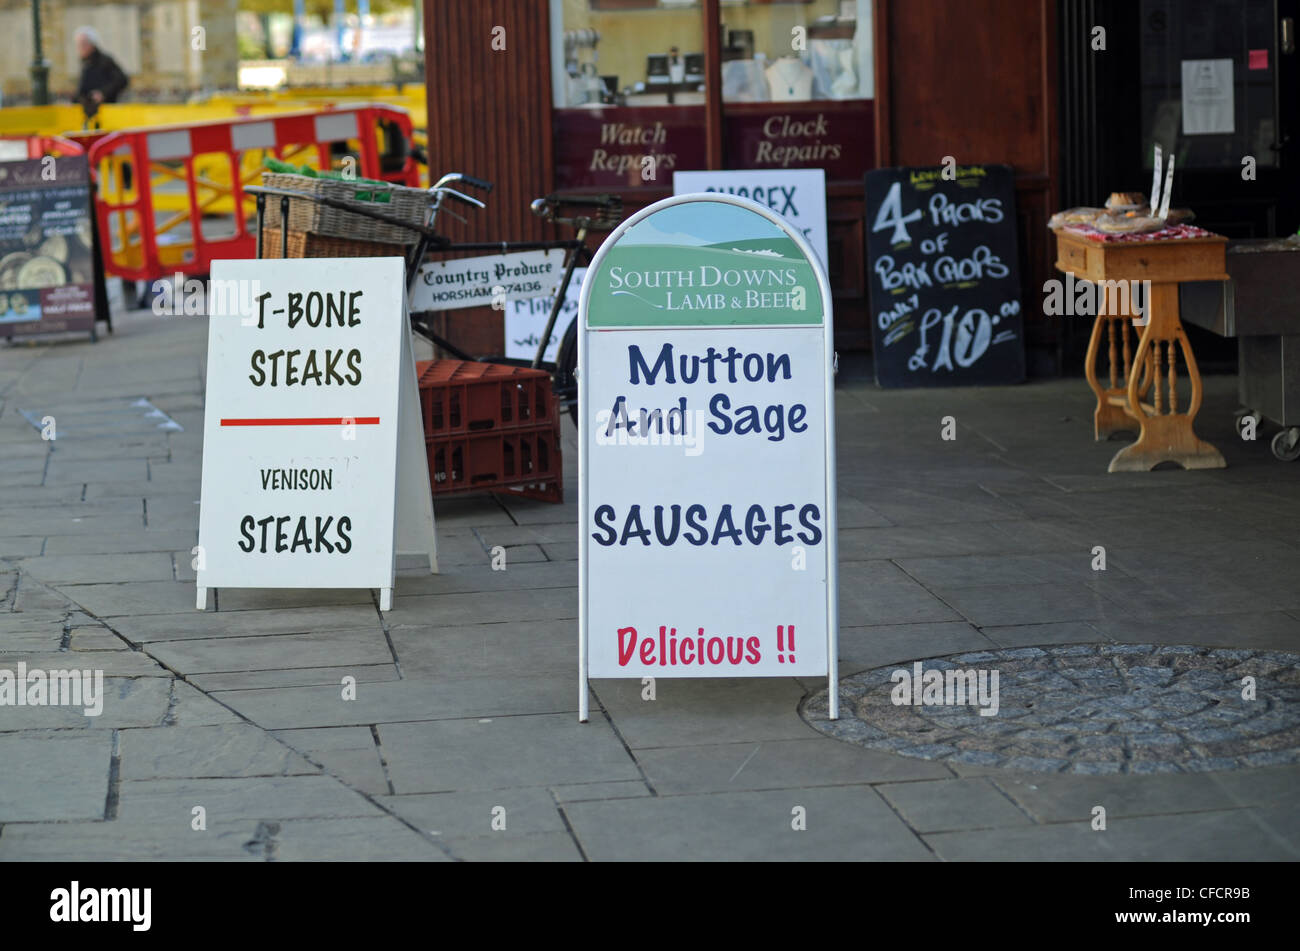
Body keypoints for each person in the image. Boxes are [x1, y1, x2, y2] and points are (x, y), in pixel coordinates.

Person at [75, 27, 129, 117]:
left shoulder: (105, 61)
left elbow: (122, 80)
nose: (80, 48)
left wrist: (103, 93)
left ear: (92, 45)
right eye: (79, 45)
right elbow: (82, 89)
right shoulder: (86, 63)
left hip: (108, 112)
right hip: (91, 112)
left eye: (83, 44)